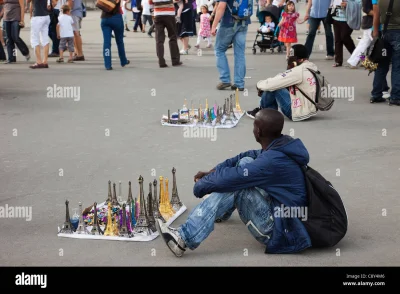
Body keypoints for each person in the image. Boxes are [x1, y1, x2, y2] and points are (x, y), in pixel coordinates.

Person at [155, 108, 312, 257]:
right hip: (282, 213)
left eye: (254, 125)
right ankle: (221, 211)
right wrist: (212, 173)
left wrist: (201, 186)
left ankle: (182, 239)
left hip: (281, 231)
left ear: (258, 131)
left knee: (239, 186)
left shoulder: (272, 160)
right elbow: (244, 157)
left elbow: (234, 178)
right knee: (246, 161)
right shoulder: (280, 145)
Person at [246, 44, 318, 121]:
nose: (288, 58)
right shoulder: (311, 67)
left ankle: (266, 113)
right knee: (275, 84)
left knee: (272, 86)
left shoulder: (298, 71)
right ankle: (270, 111)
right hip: (310, 109)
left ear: (299, 60)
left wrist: (259, 85)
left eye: (291, 57)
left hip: (297, 112)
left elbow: (274, 82)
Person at [211, 0, 251, 91]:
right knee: (240, 53)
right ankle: (239, 83)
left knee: (219, 50)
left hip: (228, 23)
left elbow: (221, 6)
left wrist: (214, 26)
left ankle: (225, 79)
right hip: (243, 22)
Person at [370, 0, 400, 106]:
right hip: (398, 33)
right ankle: (396, 97)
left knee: (382, 65)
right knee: (397, 66)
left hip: (384, 33)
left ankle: (376, 94)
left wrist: (375, 32)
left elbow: (376, 16)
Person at [149, 0, 182, 67]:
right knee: (172, 37)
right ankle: (175, 60)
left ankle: (161, 61)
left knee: (159, 39)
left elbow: (150, 2)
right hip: (169, 14)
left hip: (158, 15)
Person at [100, 0, 130, 70]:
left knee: (106, 42)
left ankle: (107, 64)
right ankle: (123, 61)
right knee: (120, 41)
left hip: (105, 18)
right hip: (116, 17)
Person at [330, 0, 357, 67]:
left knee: (345, 37)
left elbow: (359, 2)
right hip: (336, 17)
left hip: (348, 19)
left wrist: (348, 4)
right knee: (337, 40)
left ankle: (357, 56)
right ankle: (338, 61)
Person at [347, 0, 373, 68]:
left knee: (363, 44)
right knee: (376, 44)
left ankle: (353, 61)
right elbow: (366, 9)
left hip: (368, 22)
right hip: (370, 23)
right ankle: (372, 63)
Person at [29, 0, 51, 69]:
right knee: (45, 39)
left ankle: (39, 61)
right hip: (46, 16)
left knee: (34, 39)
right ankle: (45, 61)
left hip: (37, 16)